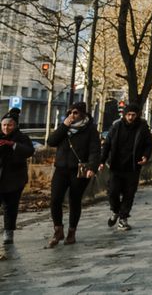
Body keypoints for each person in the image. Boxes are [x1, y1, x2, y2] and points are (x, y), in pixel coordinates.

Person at [45, 102, 100, 247]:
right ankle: (58, 230)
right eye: (70, 112)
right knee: (55, 199)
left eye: (75, 113)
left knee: (74, 200)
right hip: (61, 168)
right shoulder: (65, 127)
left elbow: (95, 150)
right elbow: (51, 141)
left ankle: (71, 232)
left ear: (82, 114)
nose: (72, 115)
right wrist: (64, 126)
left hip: (79, 170)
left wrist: (92, 167)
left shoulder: (90, 129)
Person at [99, 103, 152, 231]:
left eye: (133, 115)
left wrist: (145, 156)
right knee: (113, 192)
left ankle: (123, 218)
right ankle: (116, 210)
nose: (130, 117)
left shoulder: (142, 128)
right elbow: (107, 144)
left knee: (129, 194)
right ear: (124, 115)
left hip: (133, 167)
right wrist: (102, 161)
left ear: (137, 115)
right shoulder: (116, 126)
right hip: (116, 165)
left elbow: (149, 144)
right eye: (128, 115)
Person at [0, 109, 34, 253]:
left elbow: (29, 151)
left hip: (14, 179)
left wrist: (12, 145)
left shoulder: (21, 137)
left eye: (9, 125)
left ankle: (8, 232)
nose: (6, 128)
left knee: (10, 207)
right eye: (4, 125)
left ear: (15, 125)